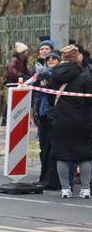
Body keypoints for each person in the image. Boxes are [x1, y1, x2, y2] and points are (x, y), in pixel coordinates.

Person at [49, 45, 92, 199]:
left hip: (61, 120)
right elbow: (89, 101)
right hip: (82, 120)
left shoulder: (55, 75)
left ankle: (65, 189)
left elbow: (50, 97)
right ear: (76, 57)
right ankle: (85, 190)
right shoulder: (84, 77)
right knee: (85, 155)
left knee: (62, 155)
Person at [32, 46, 60, 189]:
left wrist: (45, 75)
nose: (50, 60)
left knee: (51, 149)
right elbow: (36, 92)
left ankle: (51, 180)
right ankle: (44, 178)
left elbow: (55, 85)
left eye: (54, 57)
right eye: (48, 58)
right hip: (43, 114)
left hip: (52, 116)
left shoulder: (57, 74)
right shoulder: (43, 73)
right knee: (44, 149)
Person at [3, 42, 30, 125]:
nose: (27, 52)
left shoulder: (22, 60)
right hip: (13, 82)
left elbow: (25, 71)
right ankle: (5, 119)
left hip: (18, 81)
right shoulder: (15, 59)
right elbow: (12, 71)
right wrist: (22, 75)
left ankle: (11, 118)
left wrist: (28, 76)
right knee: (12, 100)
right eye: (26, 51)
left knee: (17, 99)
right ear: (22, 51)